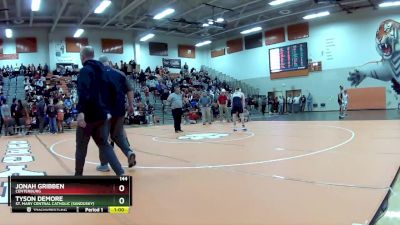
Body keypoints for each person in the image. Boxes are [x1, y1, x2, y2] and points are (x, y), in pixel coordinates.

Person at [75, 46, 124, 176]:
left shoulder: (85, 70)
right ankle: (120, 174)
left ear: (82, 56)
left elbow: (83, 92)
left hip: (88, 116)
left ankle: (78, 176)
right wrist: (108, 110)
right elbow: (114, 90)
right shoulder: (104, 71)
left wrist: (81, 113)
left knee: (81, 146)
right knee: (104, 144)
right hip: (102, 116)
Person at [96, 55, 136, 172]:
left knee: (102, 138)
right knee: (118, 135)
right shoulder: (120, 74)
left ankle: (104, 165)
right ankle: (129, 152)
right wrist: (131, 105)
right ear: (109, 62)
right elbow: (129, 90)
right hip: (119, 110)